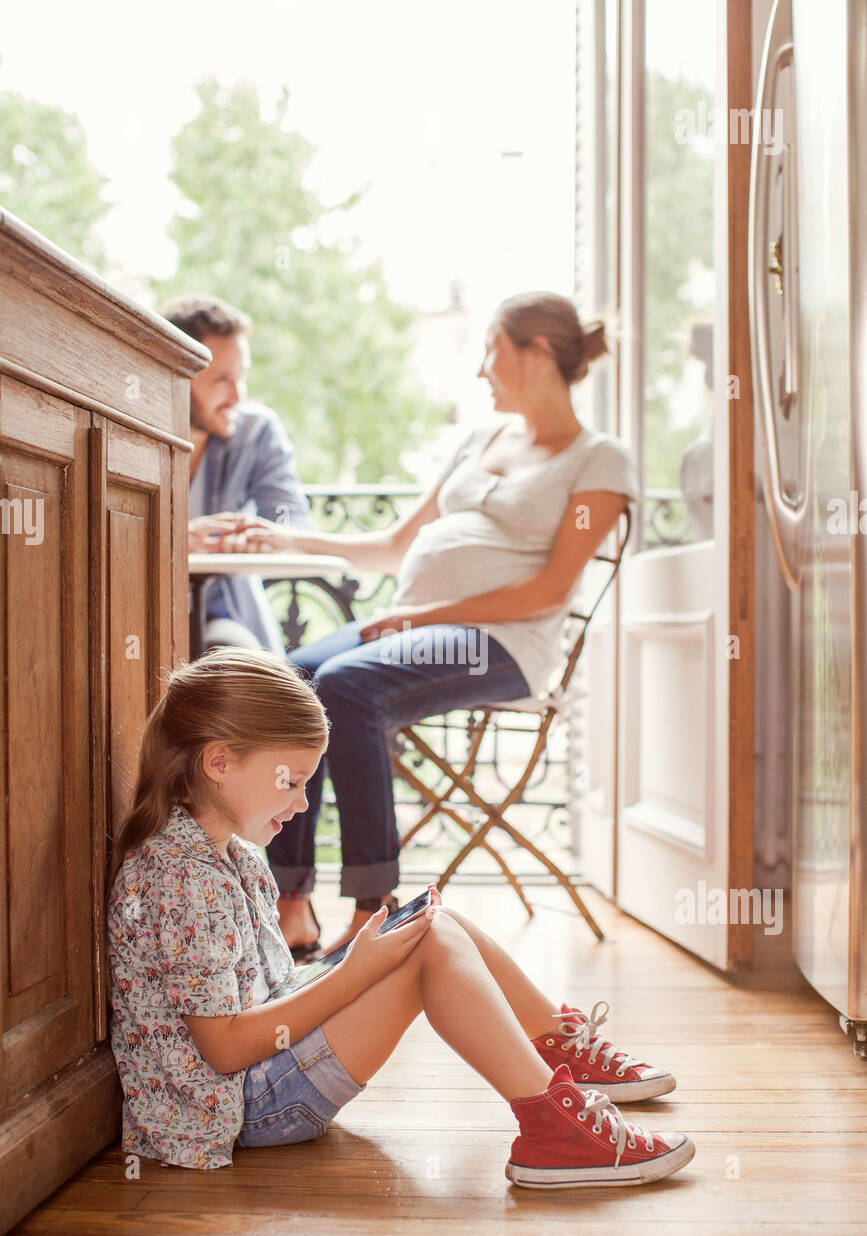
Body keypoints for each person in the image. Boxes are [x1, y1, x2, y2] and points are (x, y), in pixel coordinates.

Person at [105, 647, 695, 1188]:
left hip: (256, 1075)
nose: (305, 803)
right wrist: (354, 974)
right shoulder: (183, 877)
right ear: (219, 763)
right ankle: (554, 1131)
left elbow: (261, 1002)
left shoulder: (223, 851)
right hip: (244, 1106)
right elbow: (225, 1051)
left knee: (436, 924)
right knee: (430, 945)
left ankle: (556, 1047)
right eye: (293, 781)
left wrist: (361, 963)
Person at [231, 291, 640, 955]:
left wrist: (418, 615)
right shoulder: (481, 439)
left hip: (502, 643)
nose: (482, 369)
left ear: (535, 356)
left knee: (347, 686)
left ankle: (375, 910)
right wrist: (286, 542)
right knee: (289, 679)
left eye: (492, 351)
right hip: (414, 628)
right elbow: (394, 545)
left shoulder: (598, 460)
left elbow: (549, 589)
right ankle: (291, 898)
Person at [158, 292, 312, 656]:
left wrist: (258, 534)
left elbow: (293, 524)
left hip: (221, 614)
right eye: (221, 380)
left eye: (241, 378)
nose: (237, 397)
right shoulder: (125, 430)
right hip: (141, 609)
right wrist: (175, 539)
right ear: (176, 374)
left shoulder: (255, 432)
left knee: (233, 664)